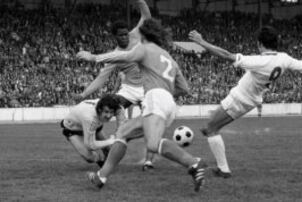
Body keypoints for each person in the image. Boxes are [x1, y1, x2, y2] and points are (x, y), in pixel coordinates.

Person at [76, 18, 207, 192]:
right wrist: (165, 94)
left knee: (152, 144)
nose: (132, 37)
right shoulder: (168, 57)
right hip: (167, 103)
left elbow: (124, 56)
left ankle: (194, 163)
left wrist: (94, 57)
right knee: (122, 132)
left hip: (155, 99)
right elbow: (184, 89)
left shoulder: (144, 49)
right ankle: (101, 177)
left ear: (143, 35)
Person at [188, 26, 302, 178]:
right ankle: (221, 167)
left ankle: (223, 169)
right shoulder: (284, 58)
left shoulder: (260, 61)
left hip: (239, 98)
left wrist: (202, 42)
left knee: (211, 128)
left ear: (260, 44)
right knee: (211, 125)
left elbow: (226, 55)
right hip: (251, 100)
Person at [73, 0, 155, 170]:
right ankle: (117, 136)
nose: (125, 37)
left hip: (148, 86)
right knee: (112, 104)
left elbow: (146, 16)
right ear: (115, 37)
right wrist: (83, 94)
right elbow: (101, 79)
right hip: (129, 89)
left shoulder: (136, 34)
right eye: (121, 35)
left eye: (126, 34)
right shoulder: (115, 55)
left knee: (151, 122)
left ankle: (148, 161)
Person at [60, 94, 124, 167]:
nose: (109, 116)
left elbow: (121, 116)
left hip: (94, 125)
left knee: (109, 150)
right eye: (106, 112)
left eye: (111, 112)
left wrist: (118, 134)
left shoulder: (117, 108)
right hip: (73, 129)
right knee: (89, 157)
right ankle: (101, 160)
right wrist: (110, 141)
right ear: (100, 110)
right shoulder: (89, 117)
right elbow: (90, 145)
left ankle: (106, 166)